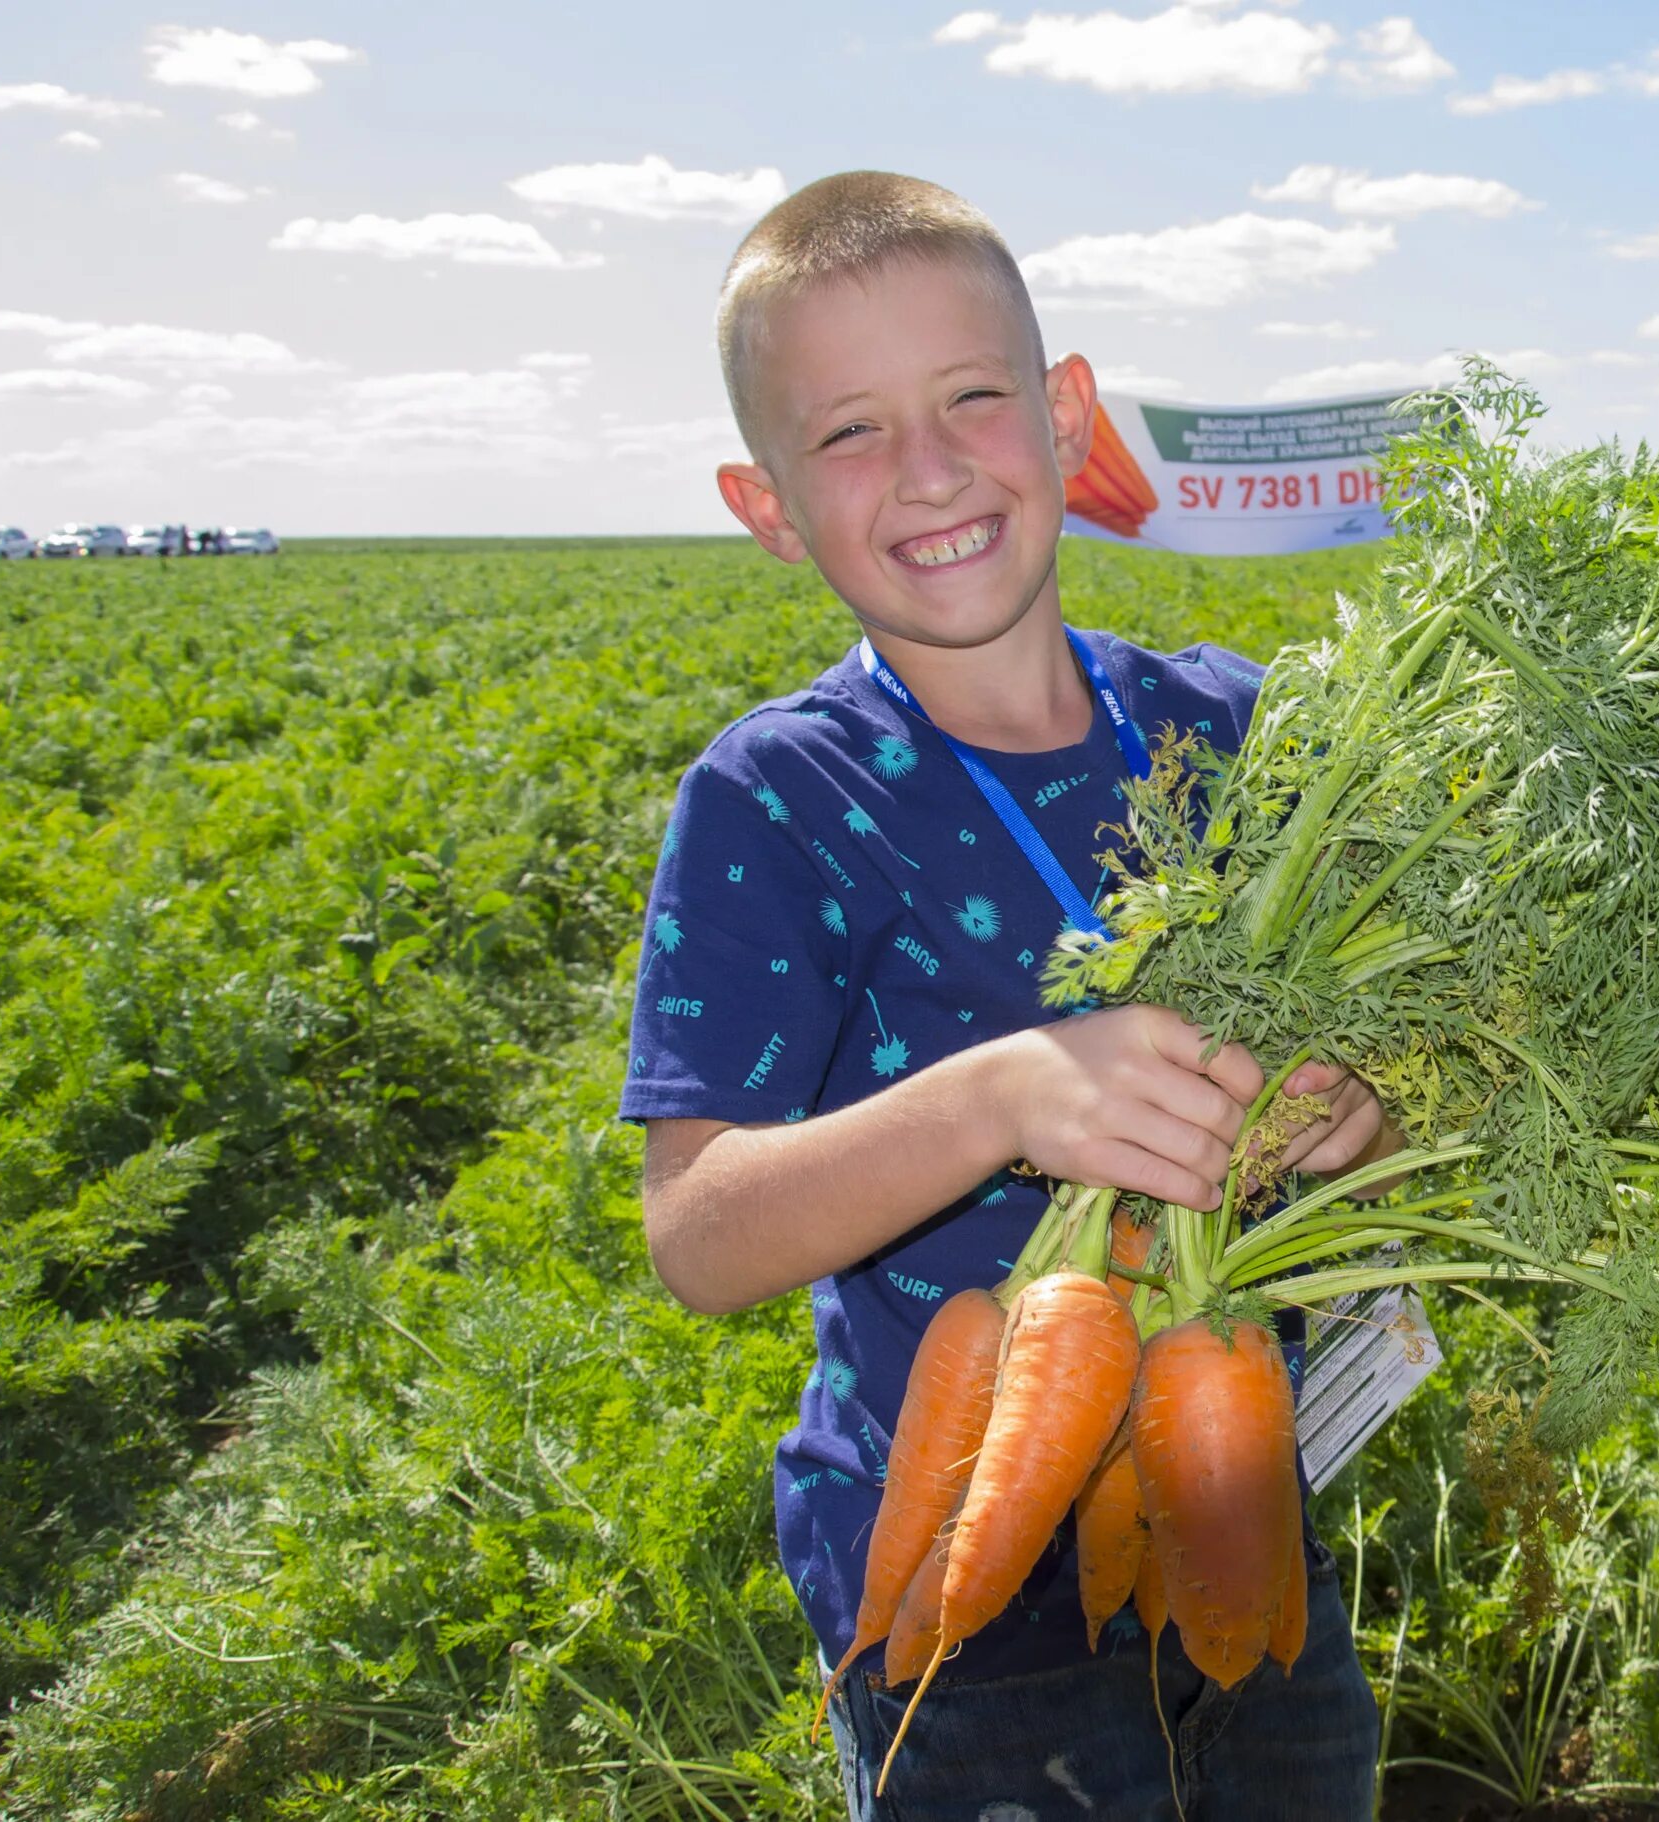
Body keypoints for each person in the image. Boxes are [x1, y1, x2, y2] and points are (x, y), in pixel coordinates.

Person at [621, 171, 1395, 1820]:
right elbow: (697, 1232)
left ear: (1062, 417)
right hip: (960, 1618)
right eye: (849, 434)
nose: (929, 469)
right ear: (767, 507)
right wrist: (1002, 1094)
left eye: (973, 398)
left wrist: (1363, 1103)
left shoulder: (1240, 730)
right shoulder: (780, 797)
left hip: (1249, 1510)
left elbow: (1411, 1050)